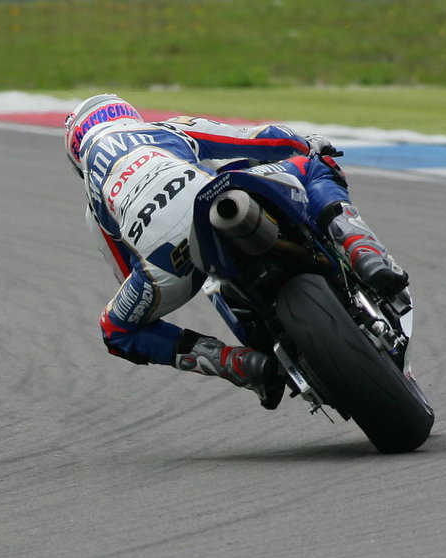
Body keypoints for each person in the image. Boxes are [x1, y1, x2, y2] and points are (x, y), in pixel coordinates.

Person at [64, 93, 408, 408]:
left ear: (78, 158)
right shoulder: (162, 129)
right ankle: (363, 250)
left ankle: (239, 365)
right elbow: (258, 139)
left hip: (167, 261)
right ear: (127, 115)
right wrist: (305, 143)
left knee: (116, 330)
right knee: (314, 167)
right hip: (210, 199)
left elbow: (126, 272)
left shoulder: (94, 208)